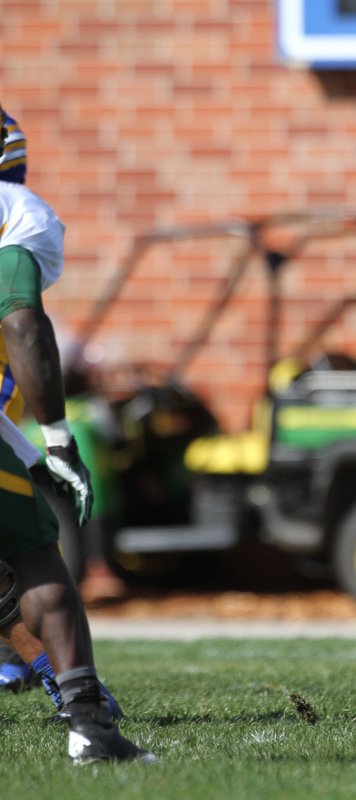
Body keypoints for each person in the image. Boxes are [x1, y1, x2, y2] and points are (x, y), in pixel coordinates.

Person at [0, 116, 153, 763]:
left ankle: (48, 678)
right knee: (38, 559)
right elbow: (20, 315)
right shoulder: (16, 212)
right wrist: (58, 437)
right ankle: (88, 723)